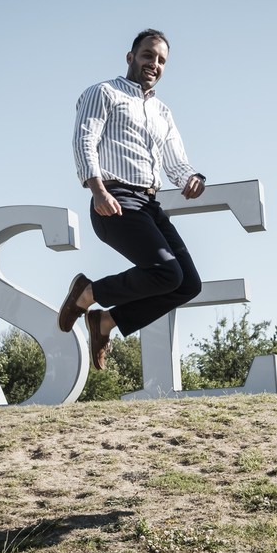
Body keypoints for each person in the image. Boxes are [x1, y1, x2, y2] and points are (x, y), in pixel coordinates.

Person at [58, 29, 206, 370]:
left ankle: (104, 322)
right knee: (166, 273)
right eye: (147, 56)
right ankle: (86, 293)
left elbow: (176, 161)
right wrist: (97, 190)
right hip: (116, 197)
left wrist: (192, 178)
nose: (154, 64)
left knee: (188, 283)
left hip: (150, 204)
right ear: (131, 57)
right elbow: (84, 141)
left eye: (161, 60)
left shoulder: (162, 111)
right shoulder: (104, 92)